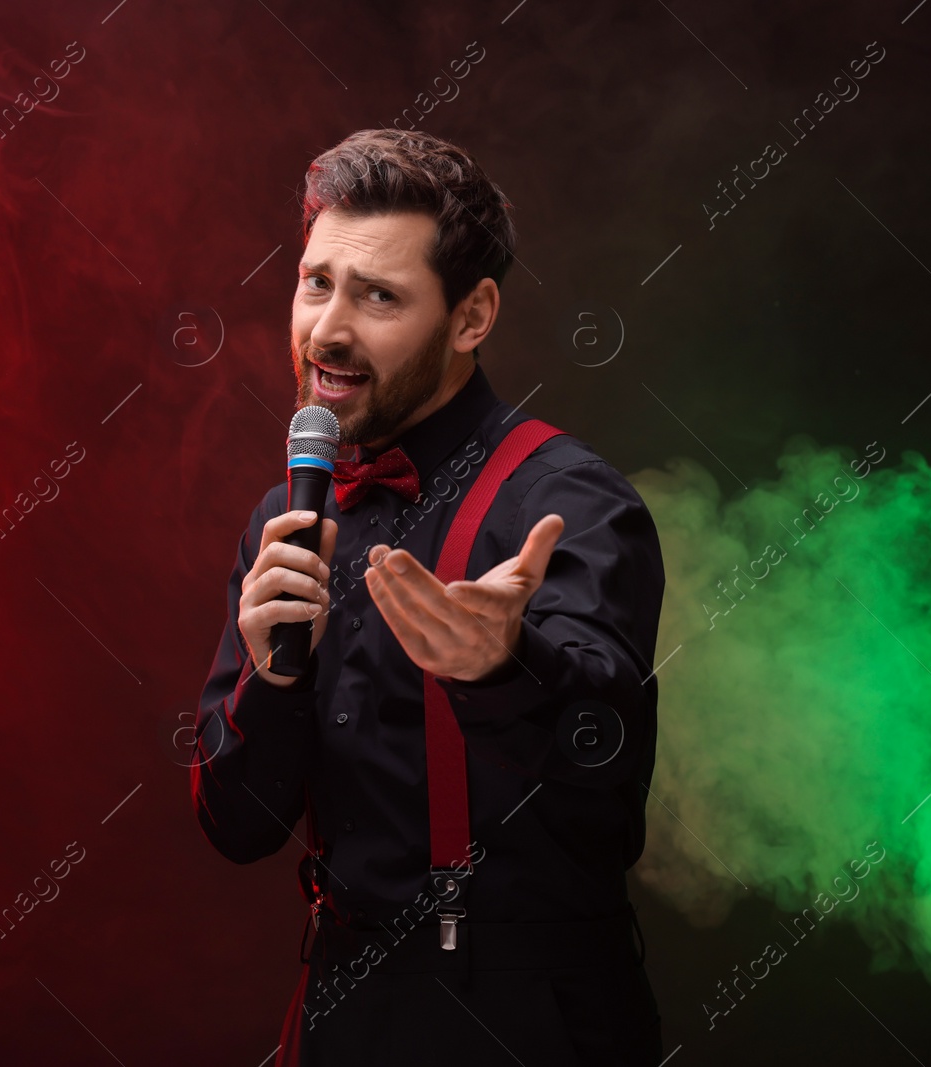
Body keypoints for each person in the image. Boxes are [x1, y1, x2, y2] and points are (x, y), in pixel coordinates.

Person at [192, 127, 666, 1065]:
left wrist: (503, 664)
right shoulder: (287, 513)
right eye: (317, 282)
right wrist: (269, 680)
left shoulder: (569, 501)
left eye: (378, 297)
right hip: (338, 1006)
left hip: (527, 1018)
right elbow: (238, 827)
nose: (328, 329)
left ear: (472, 316)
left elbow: (609, 782)